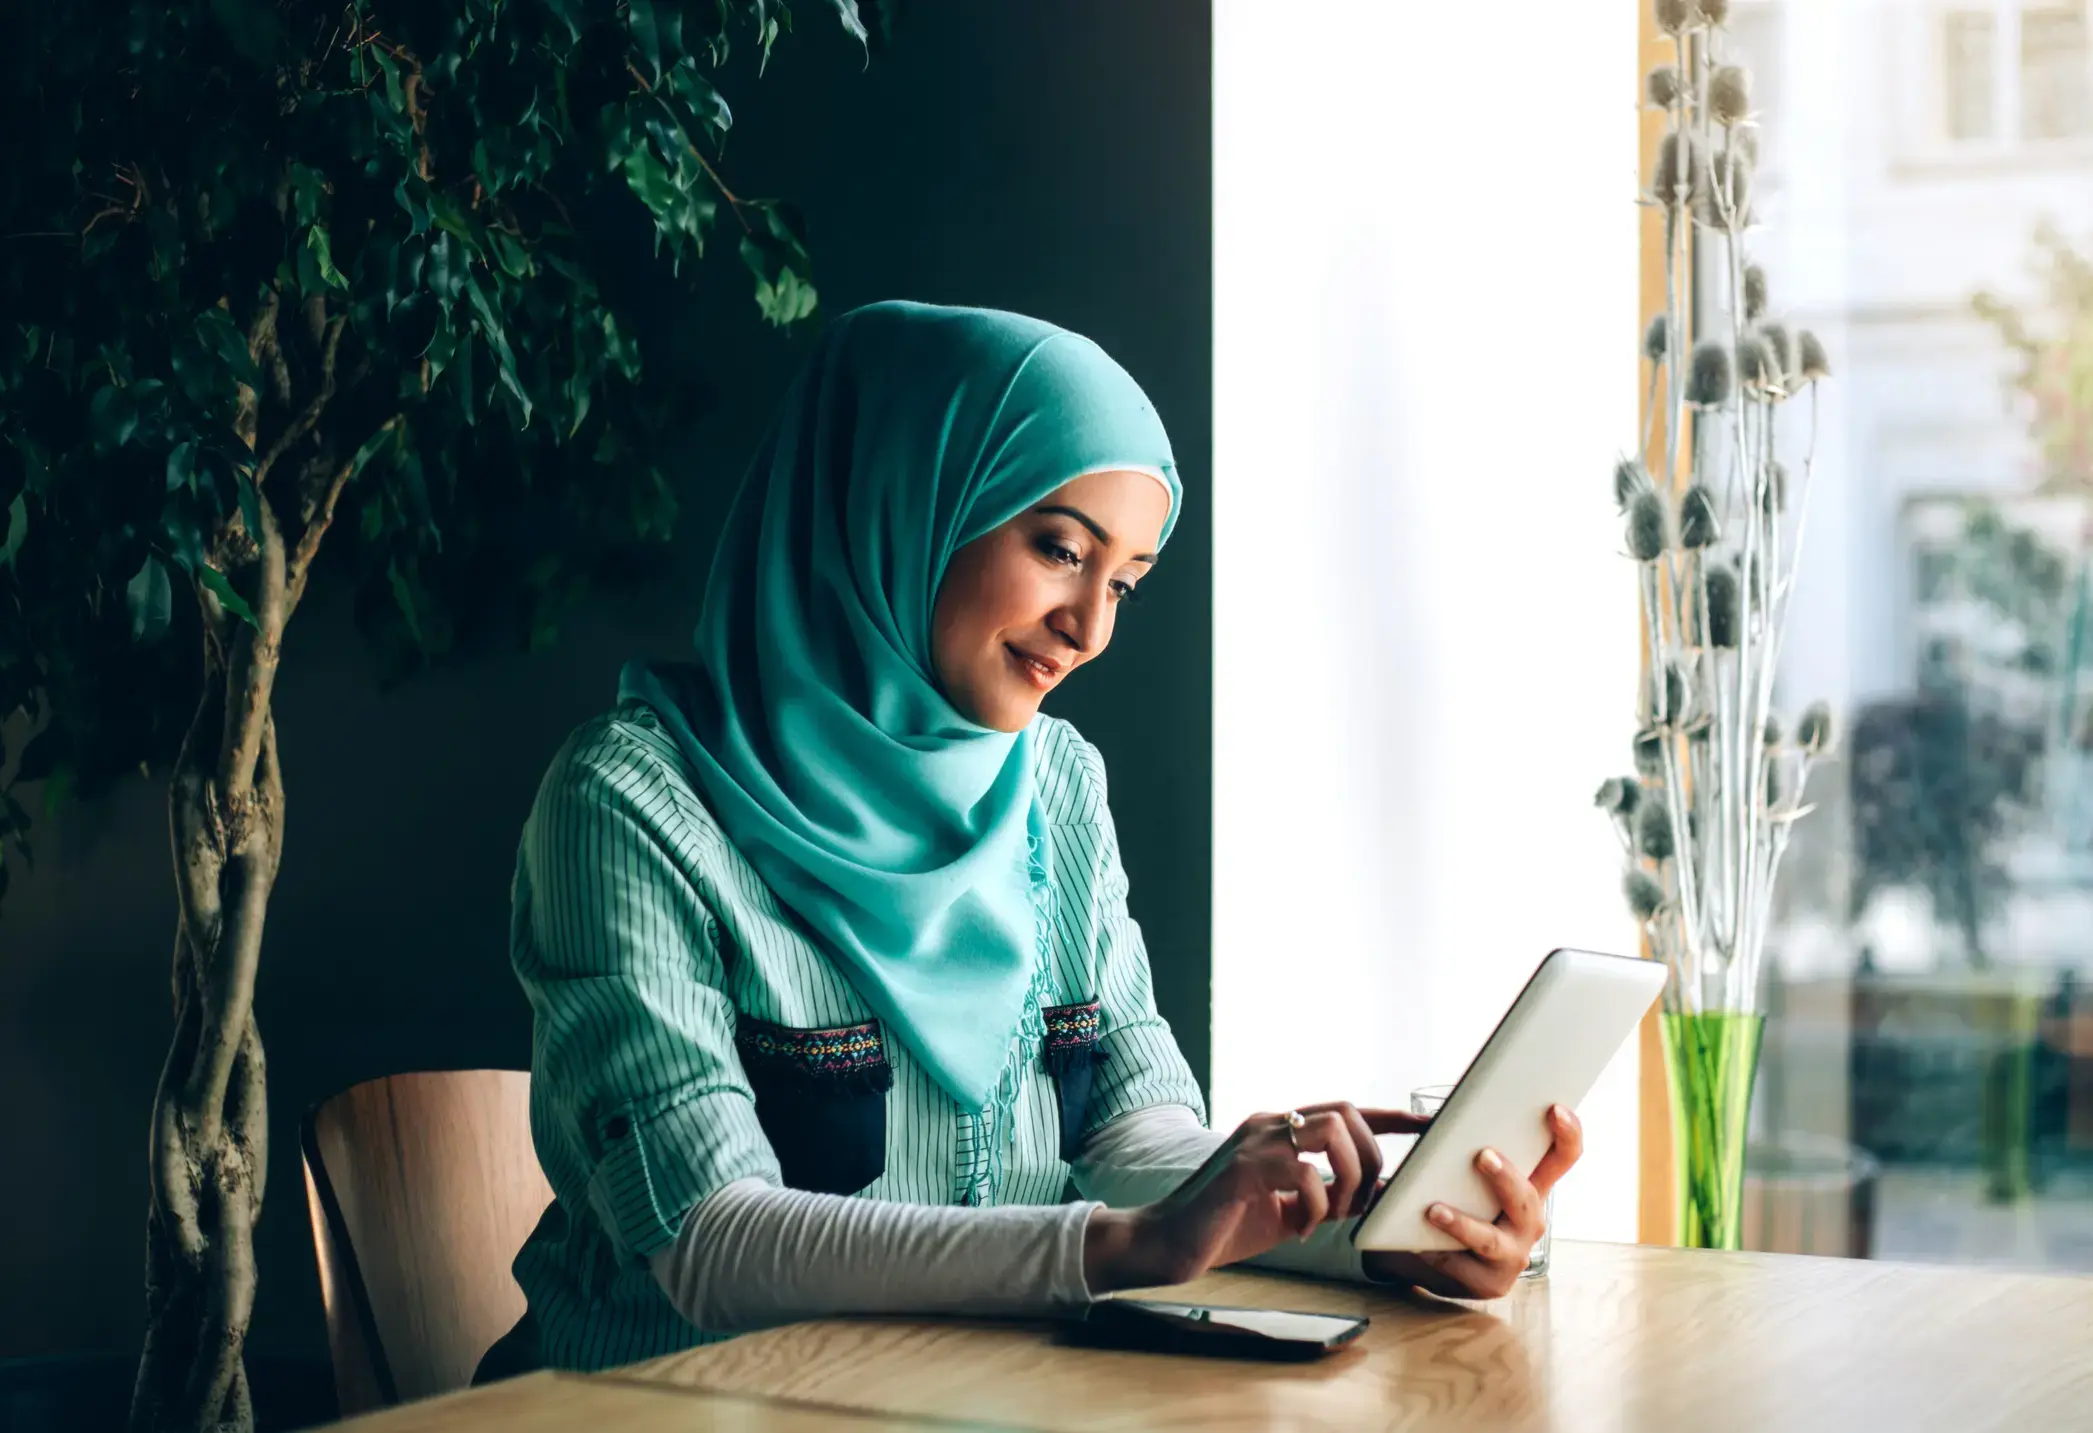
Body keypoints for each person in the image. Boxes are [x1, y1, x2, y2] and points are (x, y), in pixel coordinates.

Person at [478, 301, 1583, 1378]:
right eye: (1059, 548)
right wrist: (1119, 1247)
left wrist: (1392, 1227)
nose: (1089, 626)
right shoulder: (629, 802)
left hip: (967, 1402)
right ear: (905, 501)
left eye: (1125, 584)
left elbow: (1135, 1141)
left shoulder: (1053, 780)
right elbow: (709, 1241)